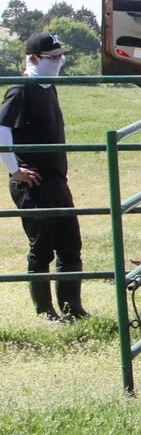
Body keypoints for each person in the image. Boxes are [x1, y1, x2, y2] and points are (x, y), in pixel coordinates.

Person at [1, 32, 87, 321]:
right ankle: (44, 311)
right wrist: (14, 170)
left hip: (56, 180)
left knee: (70, 244)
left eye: (61, 56)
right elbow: (1, 130)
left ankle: (72, 308)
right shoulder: (21, 89)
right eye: (52, 58)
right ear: (33, 58)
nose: (58, 62)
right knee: (42, 247)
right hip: (33, 181)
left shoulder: (48, 86)